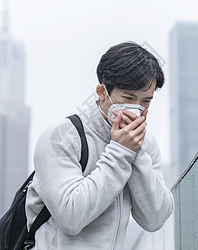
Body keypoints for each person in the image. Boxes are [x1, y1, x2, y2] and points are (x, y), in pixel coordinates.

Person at [25, 42, 173, 249]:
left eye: (146, 101)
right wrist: (121, 151)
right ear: (102, 92)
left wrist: (136, 152)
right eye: (128, 98)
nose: (137, 109)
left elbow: (155, 218)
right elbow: (71, 218)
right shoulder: (60, 136)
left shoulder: (145, 143)